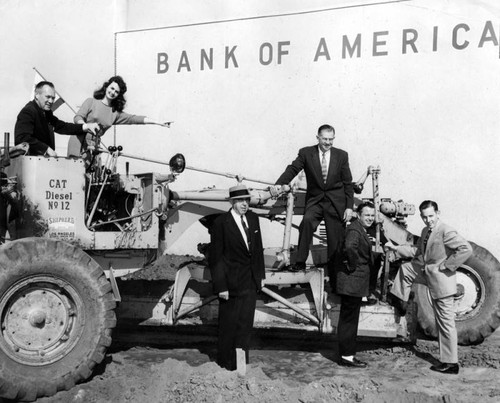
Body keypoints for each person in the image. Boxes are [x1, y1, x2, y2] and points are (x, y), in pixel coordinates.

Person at [388, 200, 472, 374]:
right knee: (406, 268)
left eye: (431, 216)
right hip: (428, 274)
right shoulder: (425, 231)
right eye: (425, 217)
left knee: (445, 323)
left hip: (441, 281)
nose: (428, 220)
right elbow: (417, 253)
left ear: (438, 213)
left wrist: (447, 266)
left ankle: (451, 364)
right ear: (421, 216)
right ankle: (400, 301)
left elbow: (466, 249)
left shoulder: (445, 231)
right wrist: (396, 248)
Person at [270, 124, 354, 275]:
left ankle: (335, 270)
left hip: (335, 202)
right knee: (306, 223)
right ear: (318, 138)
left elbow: (348, 183)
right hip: (315, 201)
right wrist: (279, 184)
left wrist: (349, 207)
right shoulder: (306, 153)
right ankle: (300, 262)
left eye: (331, 139)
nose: (328, 143)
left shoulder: (342, 155)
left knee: (335, 237)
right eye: (324, 139)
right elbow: (293, 169)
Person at [209, 184, 266, 371]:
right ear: (232, 202)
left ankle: (241, 365)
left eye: (247, 200)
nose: (245, 204)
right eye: (240, 201)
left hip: (249, 282)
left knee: (245, 326)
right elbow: (216, 258)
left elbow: (258, 250)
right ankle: (226, 366)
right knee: (229, 326)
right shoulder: (220, 223)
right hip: (230, 284)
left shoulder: (253, 219)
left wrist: (260, 276)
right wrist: (221, 287)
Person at [67, 75, 172, 157]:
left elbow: (134, 119)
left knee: (89, 179)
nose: (112, 92)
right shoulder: (91, 102)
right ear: (106, 86)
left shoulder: (115, 113)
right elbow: (77, 118)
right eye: (112, 88)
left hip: (94, 145)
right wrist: (86, 126)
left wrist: (158, 122)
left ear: (118, 95)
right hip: (79, 140)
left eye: (116, 92)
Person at [14, 81, 99, 156]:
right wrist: (46, 149)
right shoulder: (28, 111)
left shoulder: (46, 113)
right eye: (47, 97)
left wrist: (86, 126)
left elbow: (62, 126)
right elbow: (22, 138)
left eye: (53, 98)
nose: (51, 101)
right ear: (36, 95)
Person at [337, 202, 375, 368]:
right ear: (358, 215)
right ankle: (347, 356)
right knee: (349, 320)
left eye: (372, 215)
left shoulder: (359, 228)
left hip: (354, 282)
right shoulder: (354, 228)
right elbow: (349, 247)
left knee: (350, 319)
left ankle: (347, 354)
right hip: (352, 281)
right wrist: (353, 265)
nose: (370, 218)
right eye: (367, 215)